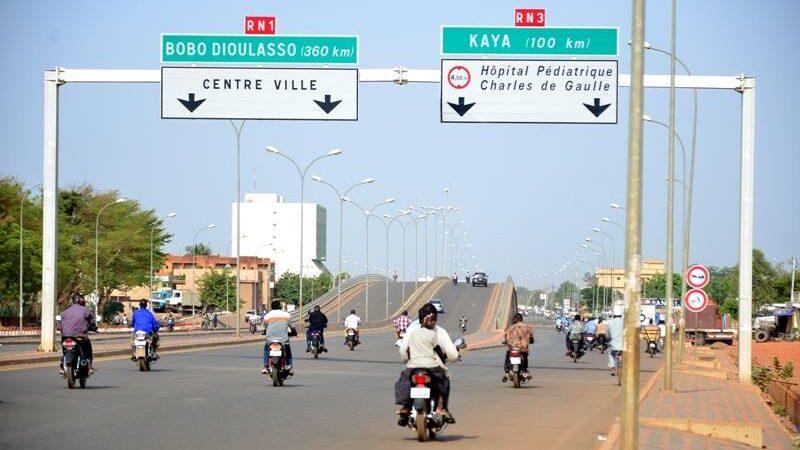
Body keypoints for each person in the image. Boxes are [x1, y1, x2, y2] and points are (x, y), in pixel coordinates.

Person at [395, 303, 459, 426]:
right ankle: (441, 409)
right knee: (444, 381)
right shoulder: (439, 332)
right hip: (433, 367)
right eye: (431, 319)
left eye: (433, 319)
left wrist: (407, 360)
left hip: (413, 367)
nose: (432, 322)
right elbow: (451, 354)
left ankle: (406, 407)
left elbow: (403, 351)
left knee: (404, 381)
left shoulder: (412, 332)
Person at [59, 293, 97, 374]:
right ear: (81, 301)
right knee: (87, 348)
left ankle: (62, 366)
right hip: (80, 336)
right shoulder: (86, 310)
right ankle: (89, 366)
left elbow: (60, 324)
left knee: (64, 349)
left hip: (65, 336)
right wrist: (93, 327)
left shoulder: (65, 311)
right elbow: (92, 321)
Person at [262, 300, 294, 375]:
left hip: (270, 340)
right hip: (283, 340)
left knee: (266, 349)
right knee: (288, 351)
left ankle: (266, 366)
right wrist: (293, 332)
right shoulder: (287, 315)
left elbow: (265, 327)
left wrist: (265, 332)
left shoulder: (267, 316)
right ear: (280, 307)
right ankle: (289, 366)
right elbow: (293, 327)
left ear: (271, 307)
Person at [502, 313, 534, 382]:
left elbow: (506, 337)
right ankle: (525, 371)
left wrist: (507, 342)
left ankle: (507, 372)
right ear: (521, 319)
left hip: (512, 348)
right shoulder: (527, 327)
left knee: (508, 356)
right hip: (523, 348)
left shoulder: (510, 328)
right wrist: (531, 340)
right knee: (525, 356)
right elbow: (531, 337)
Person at [607, 308, 624, 376]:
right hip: (624, 345)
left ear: (613, 316)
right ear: (621, 316)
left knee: (611, 354)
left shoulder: (610, 323)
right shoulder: (625, 322)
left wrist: (608, 339)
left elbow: (607, 335)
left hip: (613, 344)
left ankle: (613, 369)